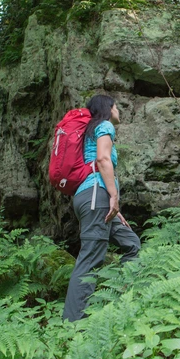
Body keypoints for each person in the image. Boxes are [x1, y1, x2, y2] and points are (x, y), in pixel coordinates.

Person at [62, 94, 140, 322]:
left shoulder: (90, 130)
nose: (119, 110)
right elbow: (103, 160)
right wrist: (114, 196)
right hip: (96, 196)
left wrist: (115, 207)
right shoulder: (104, 126)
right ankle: (72, 324)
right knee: (90, 258)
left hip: (94, 198)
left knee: (131, 243)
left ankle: (124, 301)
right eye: (116, 106)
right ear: (108, 108)